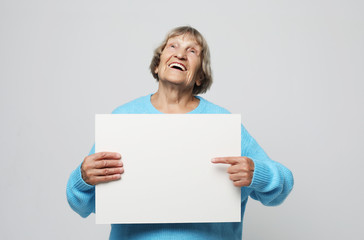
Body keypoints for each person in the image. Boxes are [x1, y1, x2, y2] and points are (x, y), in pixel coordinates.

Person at [66, 26, 294, 239]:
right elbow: (81, 204)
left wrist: (257, 173)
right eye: (172, 46)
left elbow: (283, 184)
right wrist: (82, 178)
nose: (180, 54)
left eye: (192, 51)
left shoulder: (222, 123)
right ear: (157, 65)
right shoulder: (122, 118)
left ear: (200, 77)